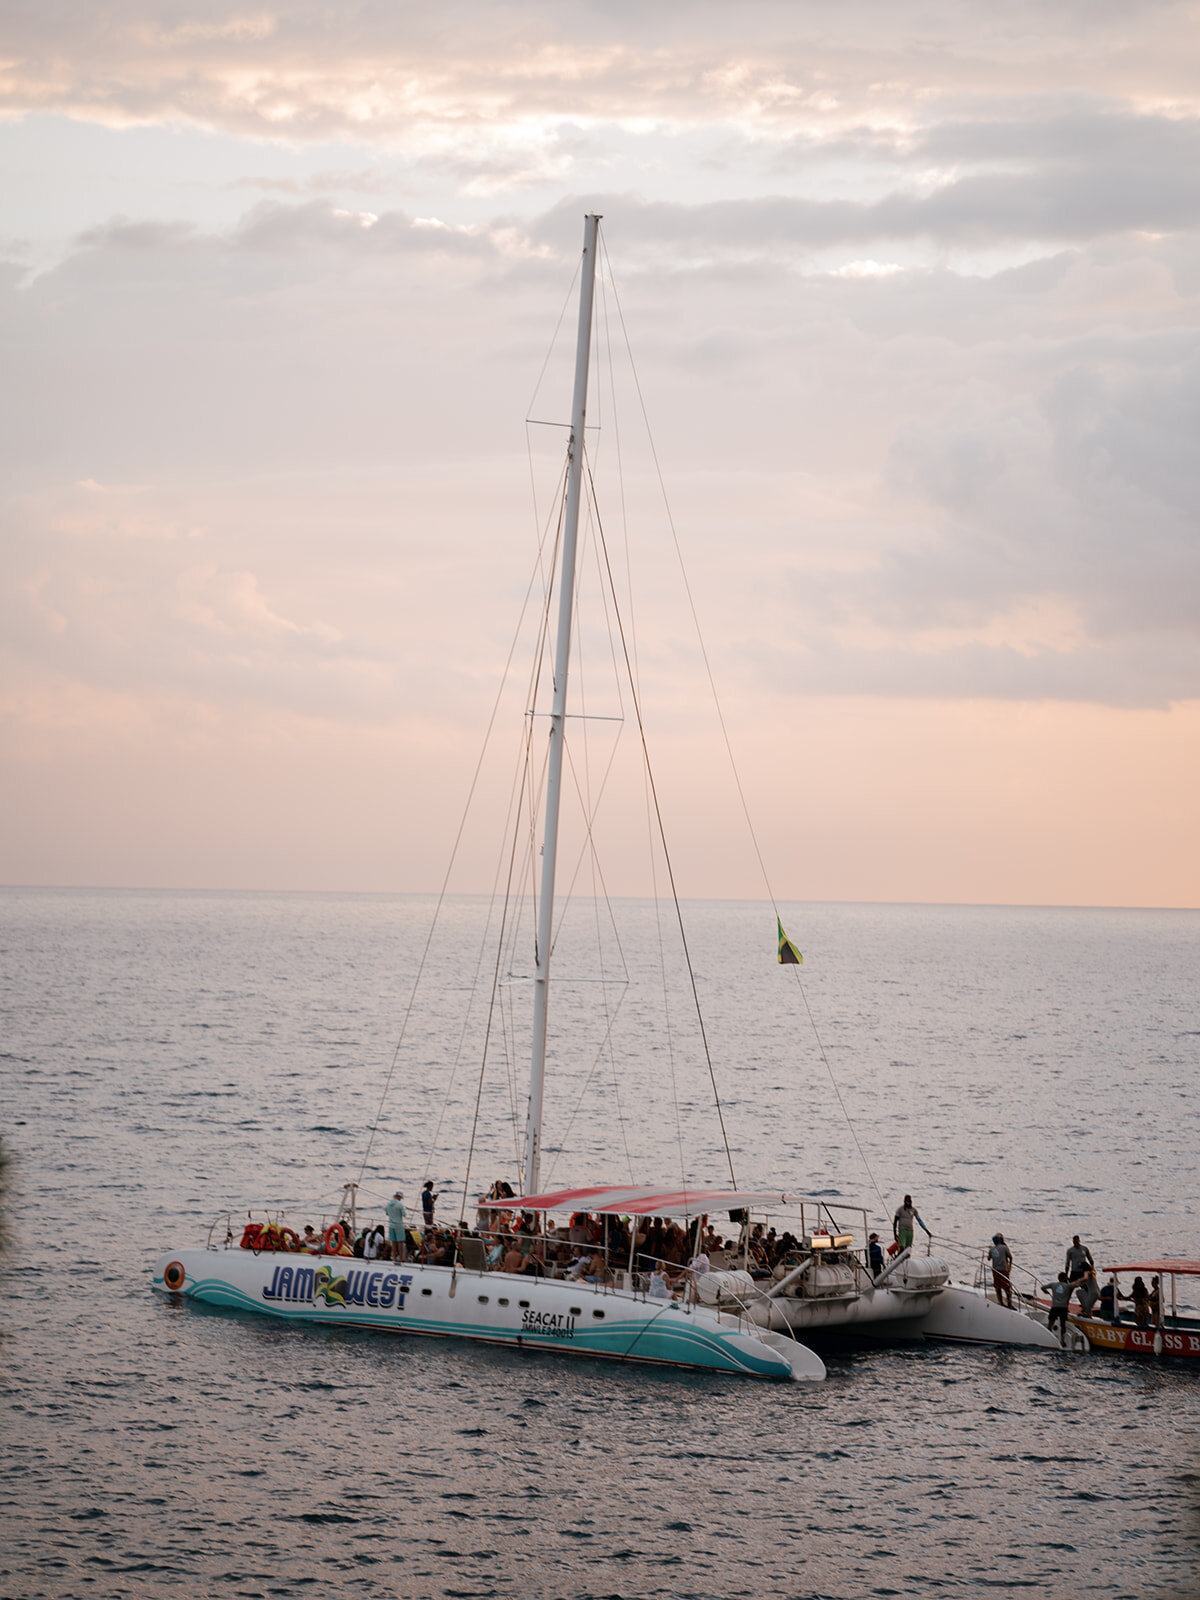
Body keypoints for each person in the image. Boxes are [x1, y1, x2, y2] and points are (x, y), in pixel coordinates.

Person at [1042, 1272, 1073, 1340]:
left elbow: (1043, 1287)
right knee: (1063, 1325)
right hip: (1063, 1308)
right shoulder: (1068, 1286)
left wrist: (1045, 1292)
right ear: (1065, 1278)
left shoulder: (1053, 1284)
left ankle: (1049, 1338)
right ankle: (1062, 1340)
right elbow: (1078, 1284)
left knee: (1050, 1324)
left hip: (1055, 1307)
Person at [989, 1234, 1015, 1309]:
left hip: (995, 1270)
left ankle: (1001, 1302)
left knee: (998, 1287)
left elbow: (989, 1258)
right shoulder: (1004, 1247)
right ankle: (1009, 1304)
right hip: (1003, 1270)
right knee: (1007, 1287)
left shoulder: (992, 1249)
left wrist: (992, 1251)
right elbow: (1010, 1257)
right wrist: (1009, 1266)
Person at [386, 1190, 408, 1263]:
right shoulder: (400, 1204)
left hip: (391, 1225)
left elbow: (387, 1213)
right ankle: (401, 1258)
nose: (401, 1199)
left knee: (393, 1242)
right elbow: (404, 1214)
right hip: (399, 1225)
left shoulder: (388, 1204)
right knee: (400, 1243)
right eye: (401, 1198)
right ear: (399, 1197)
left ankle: (394, 1258)